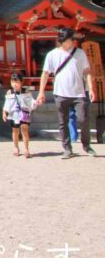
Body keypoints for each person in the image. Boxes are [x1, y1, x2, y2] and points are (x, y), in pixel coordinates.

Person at [37, 27, 97, 159]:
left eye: (72, 40)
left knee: (83, 119)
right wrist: (41, 92)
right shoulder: (52, 55)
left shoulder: (80, 53)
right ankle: (67, 148)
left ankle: (86, 145)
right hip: (60, 92)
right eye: (70, 40)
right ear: (63, 40)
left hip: (79, 92)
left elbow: (87, 72)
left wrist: (91, 88)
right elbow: (45, 73)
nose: (71, 42)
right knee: (62, 121)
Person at [2, 73, 35, 158]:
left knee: (24, 130)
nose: (14, 84)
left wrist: (35, 103)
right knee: (15, 131)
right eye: (12, 82)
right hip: (14, 114)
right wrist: (4, 112)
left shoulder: (26, 91)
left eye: (16, 82)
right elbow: (7, 104)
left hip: (24, 113)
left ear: (21, 82)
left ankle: (26, 149)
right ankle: (16, 148)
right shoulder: (9, 92)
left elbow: (30, 101)